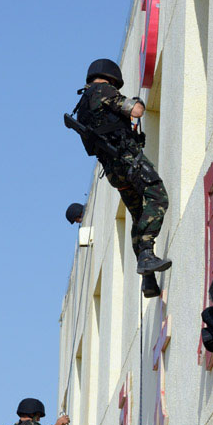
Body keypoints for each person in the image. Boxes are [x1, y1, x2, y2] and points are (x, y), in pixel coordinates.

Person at [72, 58, 170, 299]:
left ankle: (148, 278)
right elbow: (135, 111)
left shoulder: (82, 104)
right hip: (128, 159)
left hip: (114, 170)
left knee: (139, 214)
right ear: (112, 79)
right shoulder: (103, 90)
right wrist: (138, 103)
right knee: (157, 196)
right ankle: (146, 254)